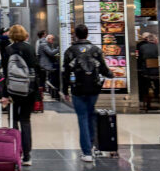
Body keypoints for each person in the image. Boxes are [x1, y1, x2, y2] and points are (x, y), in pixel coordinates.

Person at [62, 24, 112, 163]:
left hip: (78, 88)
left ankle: (86, 151)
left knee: (82, 117)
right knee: (91, 115)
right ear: (87, 34)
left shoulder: (70, 51)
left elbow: (65, 72)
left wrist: (65, 91)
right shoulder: (96, 50)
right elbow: (103, 69)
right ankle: (91, 145)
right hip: (94, 88)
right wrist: (111, 75)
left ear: (75, 35)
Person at [1, 24, 38, 166]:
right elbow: (35, 69)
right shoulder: (29, 48)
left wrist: (4, 94)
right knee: (26, 120)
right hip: (28, 90)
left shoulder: (8, 49)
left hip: (12, 90)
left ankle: (16, 150)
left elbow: (5, 73)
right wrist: (36, 92)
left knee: (13, 119)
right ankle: (27, 156)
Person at [137, 33, 160, 109]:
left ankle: (144, 97)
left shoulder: (142, 47)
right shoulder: (159, 47)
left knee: (143, 82)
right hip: (158, 73)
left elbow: (140, 59)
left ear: (147, 40)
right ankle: (157, 94)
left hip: (146, 73)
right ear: (155, 40)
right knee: (158, 82)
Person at [38, 34, 60, 99]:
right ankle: (53, 86)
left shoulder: (46, 44)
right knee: (56, 71)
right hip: (45, 64)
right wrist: (59, 49)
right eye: (52, 39)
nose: (53, 41)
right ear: (48, 39)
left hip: (46, 63)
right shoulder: (44, 44)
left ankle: (52, 87)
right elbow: (51, 53)